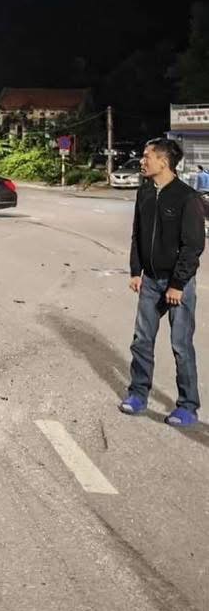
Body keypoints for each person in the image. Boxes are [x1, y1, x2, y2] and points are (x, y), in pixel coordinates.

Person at [120, 138, 205, 425]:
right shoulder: (144, 193)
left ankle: (187, 406)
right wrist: (135, 271)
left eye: (147, 157)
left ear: (164, 162)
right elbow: (137, 234)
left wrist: (178, 285)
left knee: (181, 345)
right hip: (150, 281)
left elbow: (193, 246)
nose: (142, 161)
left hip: (177, 284)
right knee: (141, 341)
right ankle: (138, 394)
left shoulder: (186, 197)